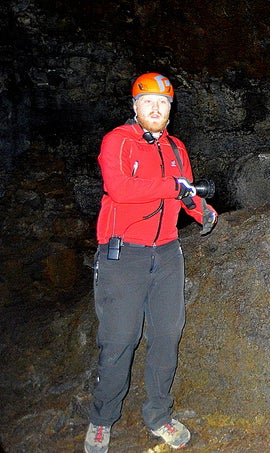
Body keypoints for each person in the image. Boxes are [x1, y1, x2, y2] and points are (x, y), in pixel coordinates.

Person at [84, 72, 217, 452]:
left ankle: (158, 414)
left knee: (165, 336)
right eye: (148, 102)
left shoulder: (177, 148)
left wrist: (203, 212)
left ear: (170, 110)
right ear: (135, 107)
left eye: (163, 103)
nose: (156, 108)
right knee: (119, 339)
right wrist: (171, 186)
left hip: (167, 254)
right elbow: (120, 189)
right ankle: (101, 419)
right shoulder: (117, 141)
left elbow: (186, 192)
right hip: (123, 254)